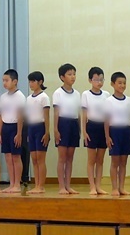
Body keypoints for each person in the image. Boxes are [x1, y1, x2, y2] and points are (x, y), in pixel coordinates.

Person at [81, 66, 110, 195]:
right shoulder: (86, 94)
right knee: (91, 159)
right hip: (91, 127)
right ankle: (92, 186)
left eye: (101, 79)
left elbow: (108, 114)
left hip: (103, 127)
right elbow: (84, 114)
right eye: (96, 79)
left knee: (100, 159)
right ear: (90, 80)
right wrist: (84, 131)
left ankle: (98, 185)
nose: (99, 82)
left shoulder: (106, 95)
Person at [52, 63, 80, 195]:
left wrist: (79, 128)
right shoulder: (58, 93)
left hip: (73, 124)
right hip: (62, 124)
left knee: (70, 157)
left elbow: (78, 113)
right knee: (62, 157)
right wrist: (55, 129)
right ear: (62, 77)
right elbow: (56, 112)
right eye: (69, 74)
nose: (72, 76)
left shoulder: (77, 94)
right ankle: (61, 186)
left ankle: (68, 185)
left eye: (74, 74)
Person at [104, 71, 130, 197]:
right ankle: (114, 187)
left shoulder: (129, 101)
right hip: (114, 131)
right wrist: (107, 136)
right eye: (119, 83)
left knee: (123, 162)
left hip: (126, 131)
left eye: (124, 83)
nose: (122, 85)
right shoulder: (109, 101)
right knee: (115, 161)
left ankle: (122, 187)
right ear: (113, 84)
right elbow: (106, 120)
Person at [0, 68, 25, 193]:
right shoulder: (3, 97)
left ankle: (17, 184)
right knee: (8, 157)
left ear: (15, 81)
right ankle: (11, 183)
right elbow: (1, 116)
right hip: (5, 127)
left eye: (7, 80)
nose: (4, 83)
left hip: (15, 127)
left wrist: (19, 133)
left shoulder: (20, 96)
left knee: (15, 157)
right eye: (3, 80)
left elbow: (20, 116)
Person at [25, 71, 49, 194]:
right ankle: (36, 185)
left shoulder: (44, 97)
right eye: (29, 81)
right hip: (31, 128)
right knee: (34, 158)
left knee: (40, 158)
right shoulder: (28, 98)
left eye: (33, 81)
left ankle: (41, 185)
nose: (31, 84)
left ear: (40, 82)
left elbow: (46, 117)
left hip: (41, 128)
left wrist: (47, 132)